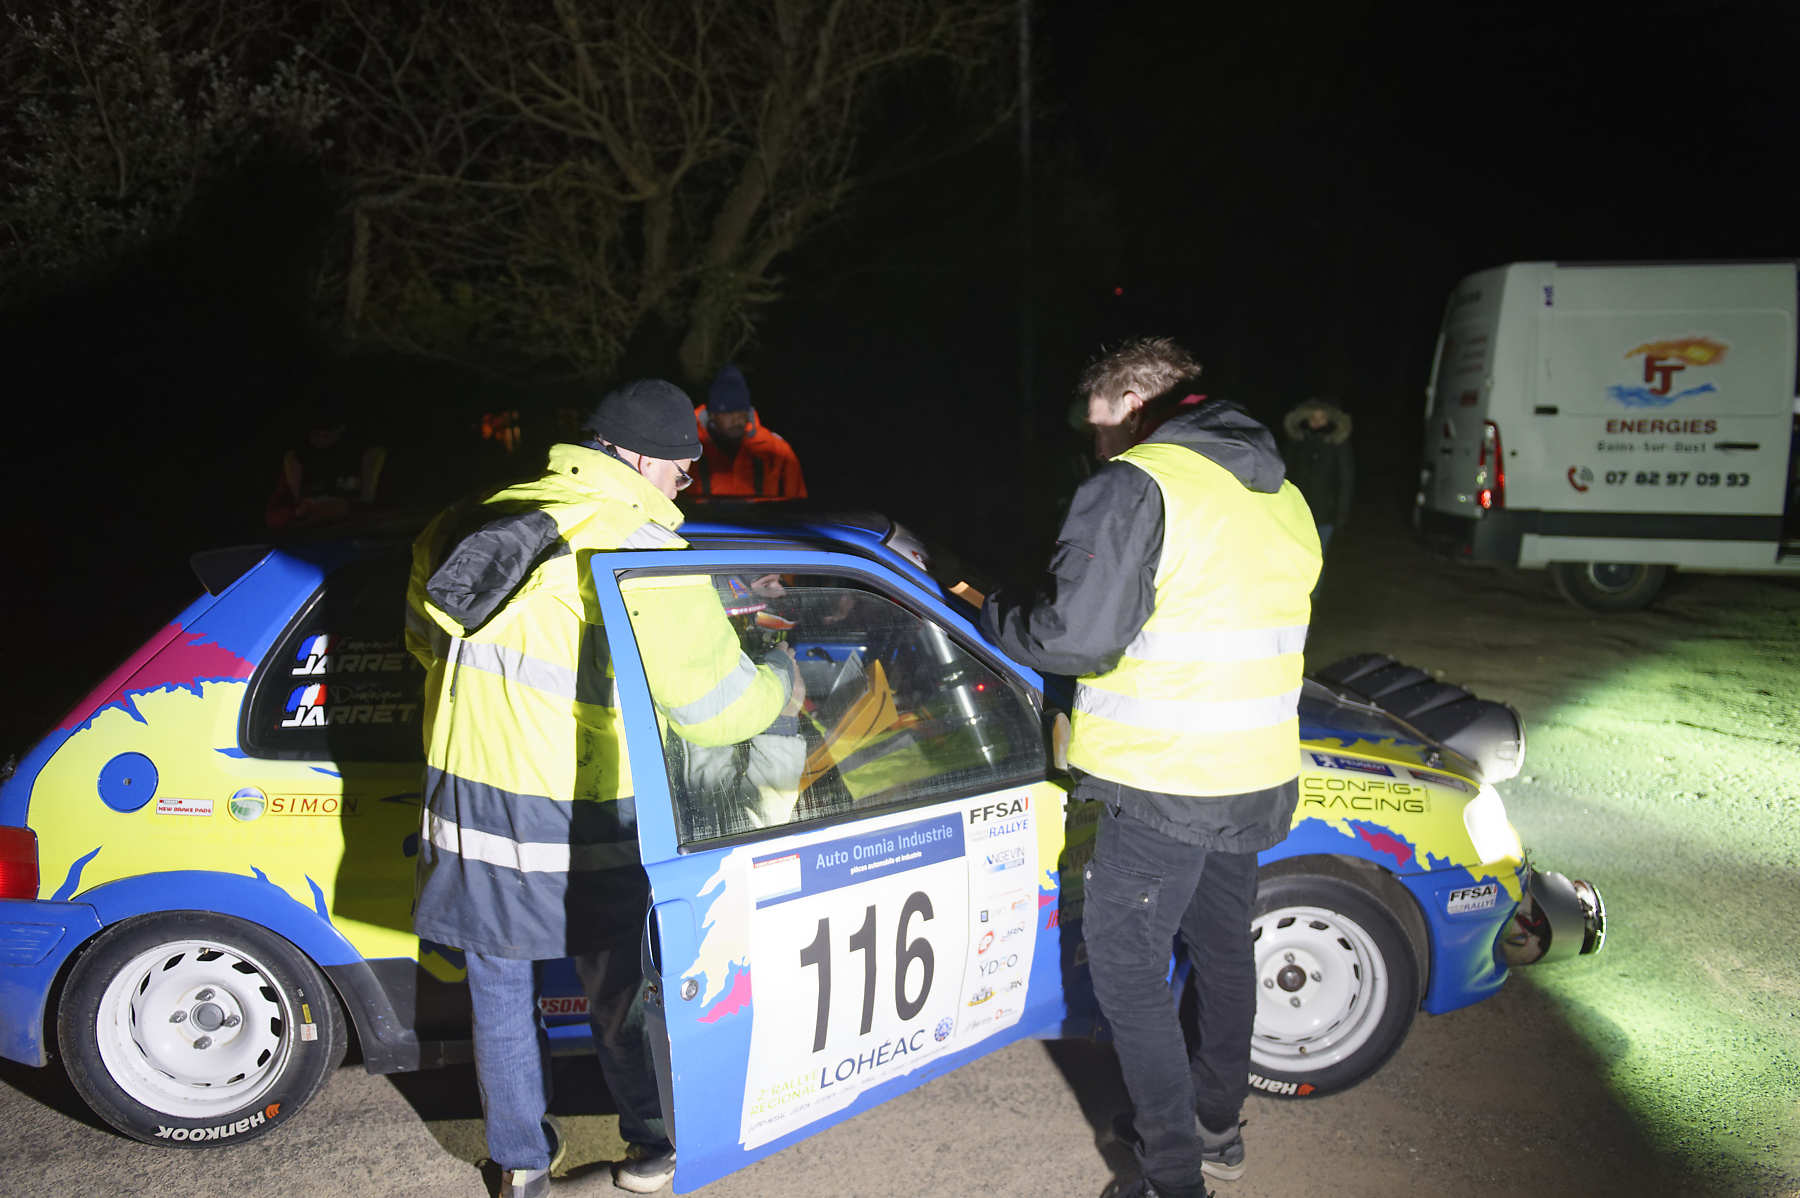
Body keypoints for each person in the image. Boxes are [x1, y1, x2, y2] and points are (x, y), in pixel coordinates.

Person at [405, 379, 804, 1198]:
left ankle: (520, 1165)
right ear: (643, 459)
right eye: (683, 472)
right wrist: (781, 686)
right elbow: (714, 712)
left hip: (469, 804)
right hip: (584, 810)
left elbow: (424, 640)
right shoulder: (641, 548)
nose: (684, 487)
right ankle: (652, 1146)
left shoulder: (472, 521)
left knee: (500, 997)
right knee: (621, 987)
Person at [979, 337, 1321, 1198]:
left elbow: (1075, 639)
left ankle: (1171, 1177)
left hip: (1166, 776)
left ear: (1135, 404)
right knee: (1223, 950)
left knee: (1127, 970)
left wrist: (995, 612)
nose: (1096, 445)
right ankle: (1216, 1129)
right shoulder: (1279, 492)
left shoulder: (1138, 482)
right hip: (1255, 770)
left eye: (1099, 425)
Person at [690, 363, 807, 500]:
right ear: (712, 415)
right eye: (728, 412)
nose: (737, 418)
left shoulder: (777, 451)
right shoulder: (686, 448)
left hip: (762, 515)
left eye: (741, 411)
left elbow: (797, 504)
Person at [265, 404, 387, 529]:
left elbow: (386, 510)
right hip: (311, 534)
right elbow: (274, 516)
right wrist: (298, 513)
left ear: (341, 430)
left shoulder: (369, 457)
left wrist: (348, 509)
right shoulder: (296, 460)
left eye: (326, 436)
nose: (320, 441)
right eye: (315, 435)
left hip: (357, 534)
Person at [1278, 397, 1354, 552]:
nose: (1317, 421)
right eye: (1313, 417)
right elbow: (1284, 475)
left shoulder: (1338, 445)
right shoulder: (1296, 444)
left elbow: (1346, 481)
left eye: (1322, 417)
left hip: (1326, 515)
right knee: (1297, 554)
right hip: (1298, 512)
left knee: (1318, 555)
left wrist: (1341, 514)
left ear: (1329, 419)